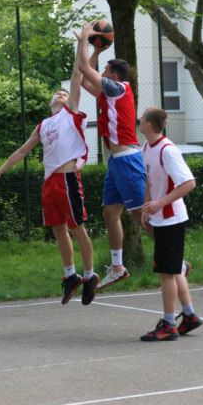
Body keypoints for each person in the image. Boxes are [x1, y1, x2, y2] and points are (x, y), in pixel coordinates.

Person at [0, 51, 99, 307]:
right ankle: (71, 276)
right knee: (58, 229)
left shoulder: (70, 113)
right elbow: (22, 151)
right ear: (49, 103)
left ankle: (90, 276)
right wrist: (0, 170)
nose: (61, 92)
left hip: (68, 179)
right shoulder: (43, 125)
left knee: (77, 228)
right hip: (50, 183)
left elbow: (76, 76)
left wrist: (83, 45)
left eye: (64, 92)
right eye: (57, 92)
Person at [75, 23, 146, 289]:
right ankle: (117, 266)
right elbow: (85, 79)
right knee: (109, 213)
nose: (101, 72)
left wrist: (84, 41)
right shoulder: (108, 92)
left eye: (105, 70)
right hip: (116, 162)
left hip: (127, 159)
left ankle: (174, 258)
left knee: (141, 215)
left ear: (114, 76)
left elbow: (84, 70)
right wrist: (95, 49)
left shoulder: (119, 88)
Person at [138, 106, 203, 341]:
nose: (139, 119)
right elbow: (148, 179)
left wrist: (160, 203)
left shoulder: (167, 150)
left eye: (142, 117)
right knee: (174, 270)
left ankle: (168, 324)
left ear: (149, 124)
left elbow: (188, 183)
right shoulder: (146, 147)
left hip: (172, 220)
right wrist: (147, 205)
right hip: (159, 217)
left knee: (166, 273)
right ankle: (189, 316)